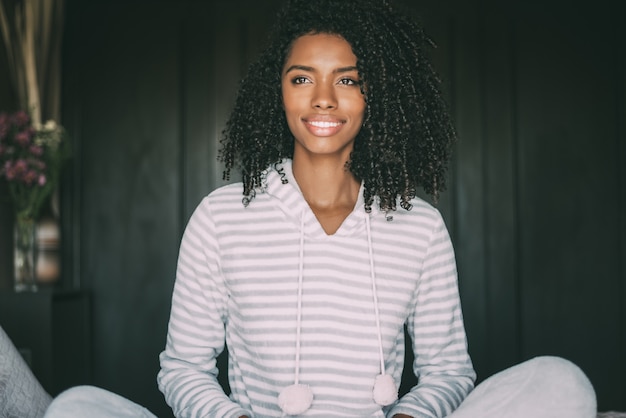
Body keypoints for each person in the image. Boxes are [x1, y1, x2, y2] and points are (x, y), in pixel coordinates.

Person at [44, 0, 597, 417]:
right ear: (277, 94)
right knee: (76, 407)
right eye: (302, 78)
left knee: (562, 383)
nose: (323, 98)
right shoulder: (221, 217)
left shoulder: (420, 226)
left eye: (348, 80)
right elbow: (183, 368)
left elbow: (449, 371)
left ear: (374, 95)